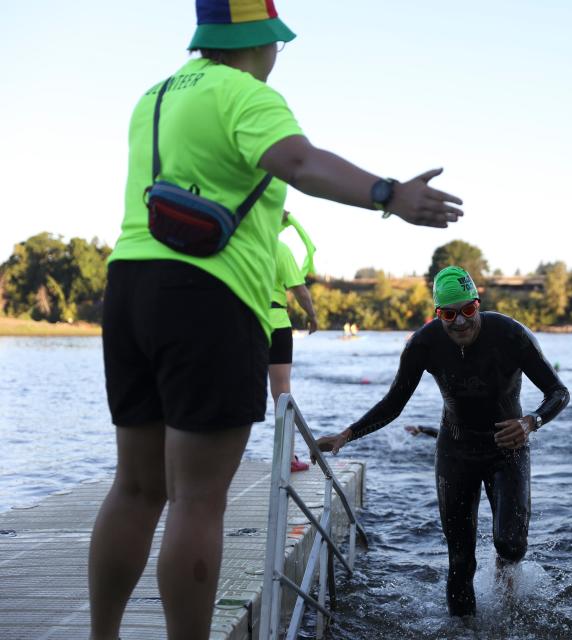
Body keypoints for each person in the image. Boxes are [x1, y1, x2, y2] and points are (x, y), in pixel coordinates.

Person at [88, 2, 463, 638]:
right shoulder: (246, 95)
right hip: (208, 294)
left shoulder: (153, 97)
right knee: (197, 499)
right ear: (259, 41)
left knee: (135, 486)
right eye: (275, 44)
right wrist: (389, 194)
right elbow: (300, 164)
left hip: (128, 287)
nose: (276, 56)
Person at [314, 266, 569, 617]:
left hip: (508, 449)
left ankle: (507, 607)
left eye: (467, 310)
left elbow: (558, 392)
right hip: (456, 451)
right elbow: (394, 402)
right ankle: (462, 631)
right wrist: (347, 434)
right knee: (460, 561)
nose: (460, 322)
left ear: (477, 304)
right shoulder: (424, 344)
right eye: (449, 314)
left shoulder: (511, 335)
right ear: (438, 313)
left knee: (510, 545)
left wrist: (531, 422)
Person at [269, 216, 318, 473]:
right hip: (276, 324)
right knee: (281, 393)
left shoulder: (243, 245)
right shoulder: (279, 249)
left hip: (246, 325)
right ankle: (287, 458)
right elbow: (300, 290)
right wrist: (312, 316)